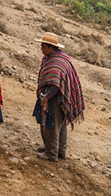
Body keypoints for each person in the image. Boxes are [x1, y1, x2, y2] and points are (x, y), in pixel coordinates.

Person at [32, 32, 84, 161]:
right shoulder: (58, 57)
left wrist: (46, 97)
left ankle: (51, 153)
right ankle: (60, 150)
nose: (41, 48)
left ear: (51, 47)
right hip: (61, 97)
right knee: (60, 125)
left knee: (51, 125)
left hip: (56, 97)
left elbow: (56, 84)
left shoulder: (57, 63)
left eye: (44, 46)